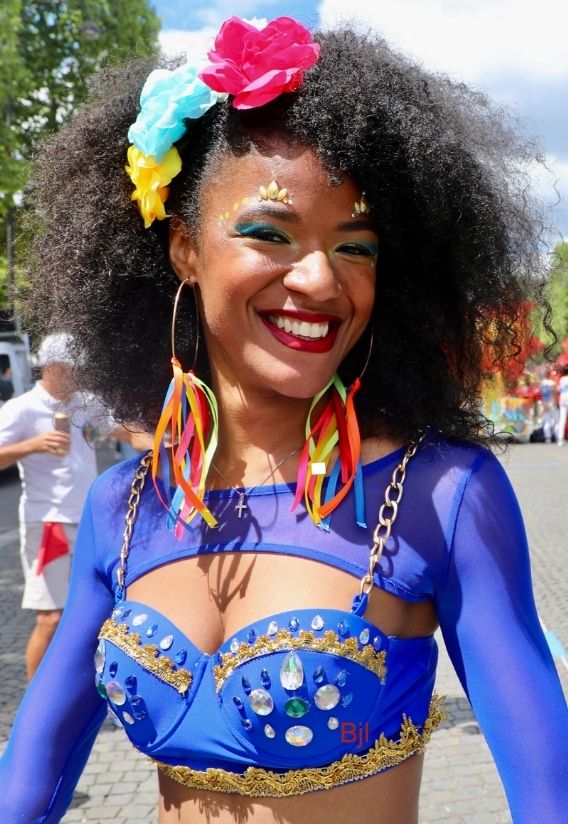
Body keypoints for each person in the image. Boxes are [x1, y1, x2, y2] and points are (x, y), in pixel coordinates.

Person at [1, 16, 566, 824]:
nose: (319, 279)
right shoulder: (121, 509)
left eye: (356, 247)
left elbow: (551, 794)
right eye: (270, 233)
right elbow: (30, 778)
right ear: (184, 250)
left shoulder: (442, 495)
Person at [0, 332, 134, 680]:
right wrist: (32, 445)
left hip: (91, 523)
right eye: (76, 369)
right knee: (51, 618)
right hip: (49, 524)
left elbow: (123, 430)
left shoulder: (85, 402)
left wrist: (170, 438)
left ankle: (85, 695)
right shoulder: (22, 408)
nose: (82, 375)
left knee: (94, 613)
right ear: (52, 368)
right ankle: (35, 706)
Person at [538, 367, 558, 443]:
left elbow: (540, 395)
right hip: (552, 403)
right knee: (556, 421)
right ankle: (557, 437)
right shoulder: (552, 383)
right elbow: (555, 393)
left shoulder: (541, 384)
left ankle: (547, 438)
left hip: (544, 403)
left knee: (547, 421)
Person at [557, 364, 568, 446]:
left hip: (562, 399)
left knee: (562, 419)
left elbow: (559, 390)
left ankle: (560, 439)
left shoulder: (562, 379)